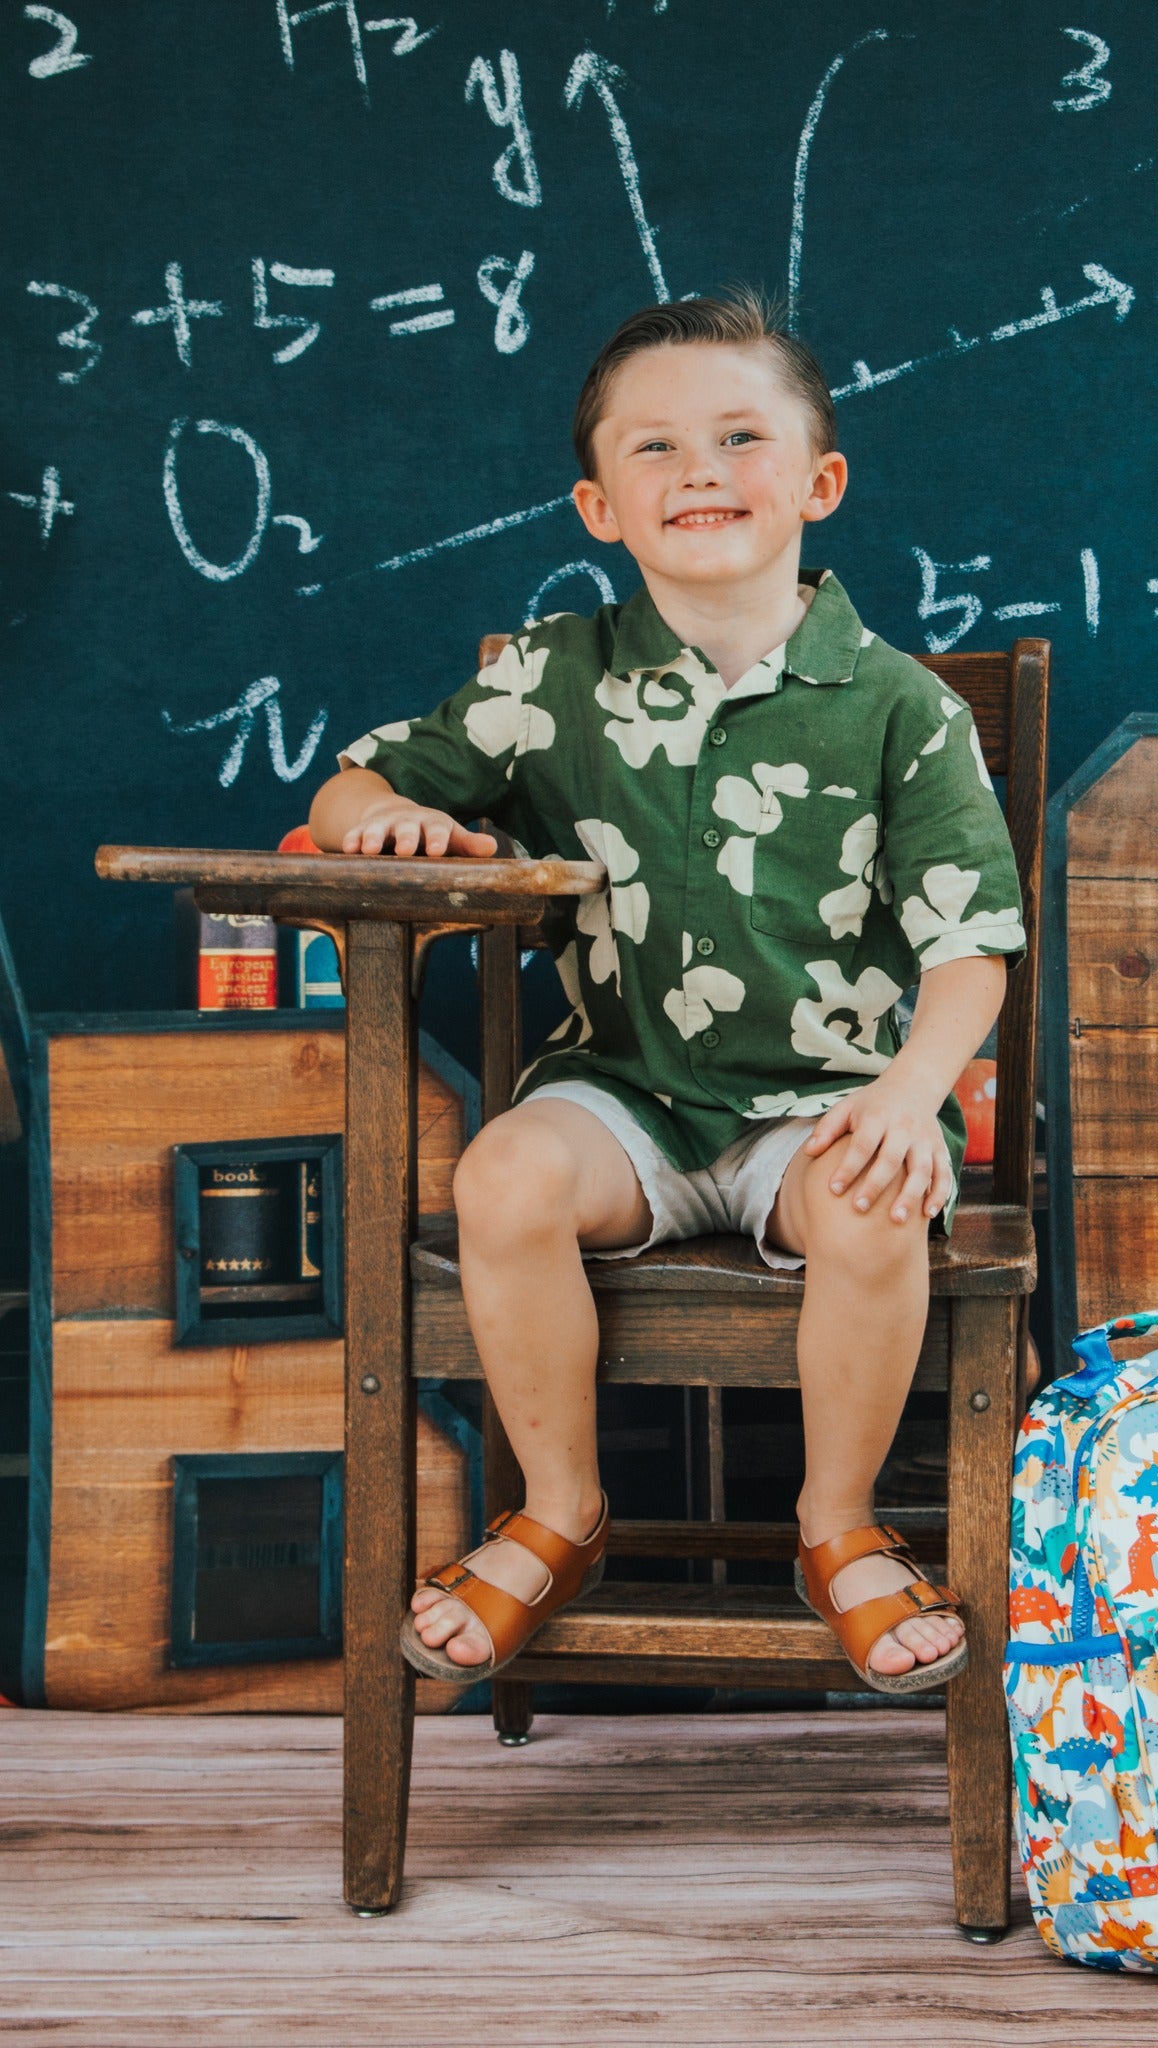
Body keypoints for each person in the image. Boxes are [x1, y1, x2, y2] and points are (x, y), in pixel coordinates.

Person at [308, 290, 1026, 1695]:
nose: (699, 470)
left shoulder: (900, 706)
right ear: (597, 507)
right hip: (622, 1100)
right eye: (655, 450)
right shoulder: (550, 679)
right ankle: (559, 1509)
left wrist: (908, 1092)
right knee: (503, 1175)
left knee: (881, 1196)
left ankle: (839, 1527)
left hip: (827, 1103)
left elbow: (970, 949)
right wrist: (377, 824)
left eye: (740, 437)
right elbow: (354, 780)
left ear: (819, 481)